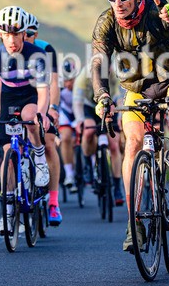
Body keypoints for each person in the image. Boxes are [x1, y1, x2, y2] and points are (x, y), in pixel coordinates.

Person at [90, 0, 169, 252]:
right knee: (133, 145)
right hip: (136, 88)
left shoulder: (156, 8)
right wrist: (102, 96)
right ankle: (133, 221)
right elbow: (99, 62)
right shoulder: (107, 23)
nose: (117, 3)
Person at [0, 6, 50, 234]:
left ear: (23, 33)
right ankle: (8, 214)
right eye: (6, 34)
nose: (12, 40)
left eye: (16, 34)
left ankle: (39, 158)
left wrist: (43, 112)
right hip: (8, 98)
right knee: (8, 157)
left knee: (30, 117)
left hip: (30, 94)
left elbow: (43, 91)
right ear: (0, 34)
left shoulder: (37, 55)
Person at [24, 12, 63, 225]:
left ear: (35, 33)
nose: (26, 37)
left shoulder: (46, 49)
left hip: (44, 97)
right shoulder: (12, 51)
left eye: (30, 34)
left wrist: (53, 108)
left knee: (48, 143)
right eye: (23, 33)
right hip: (21, 99)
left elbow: (54, 83)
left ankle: (54, 203)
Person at [73, 63, 124, 206]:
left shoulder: (113, 74)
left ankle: (117, 186)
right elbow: (77, 101)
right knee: (88, 131)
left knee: (114, 145)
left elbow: (118, 97)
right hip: (89, 106)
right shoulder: (84, 76)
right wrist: (79, 121)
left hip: (108, 106)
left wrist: (119, 118)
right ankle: (88, 163)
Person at [57, 58, 78, 191]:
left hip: (80, 112)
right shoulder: (59, 87)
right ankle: (69, 174)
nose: (68, 83)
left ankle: (94, 168)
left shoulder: (82, 84)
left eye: (71, 80)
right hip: (65, 113)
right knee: (65, 138)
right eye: (66, 80)